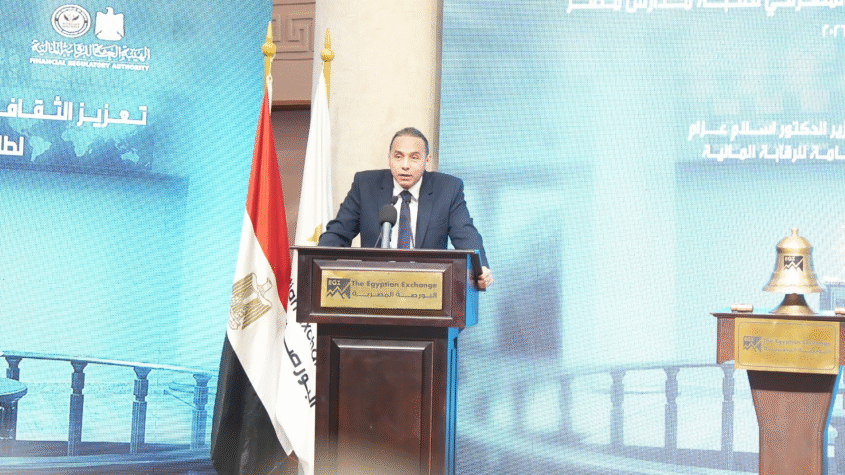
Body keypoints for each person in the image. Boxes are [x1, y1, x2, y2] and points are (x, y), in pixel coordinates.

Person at [318, 126, 494, 289]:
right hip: (373, 289)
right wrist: (317, 262)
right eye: (398, 156)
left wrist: (481, 269)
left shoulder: (448, 189)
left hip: (426, 290)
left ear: (427, 161)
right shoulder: (365, 185)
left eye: (414, 157)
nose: (405, 165)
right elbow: (338, 233)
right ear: (389, 158)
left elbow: (466, 235)